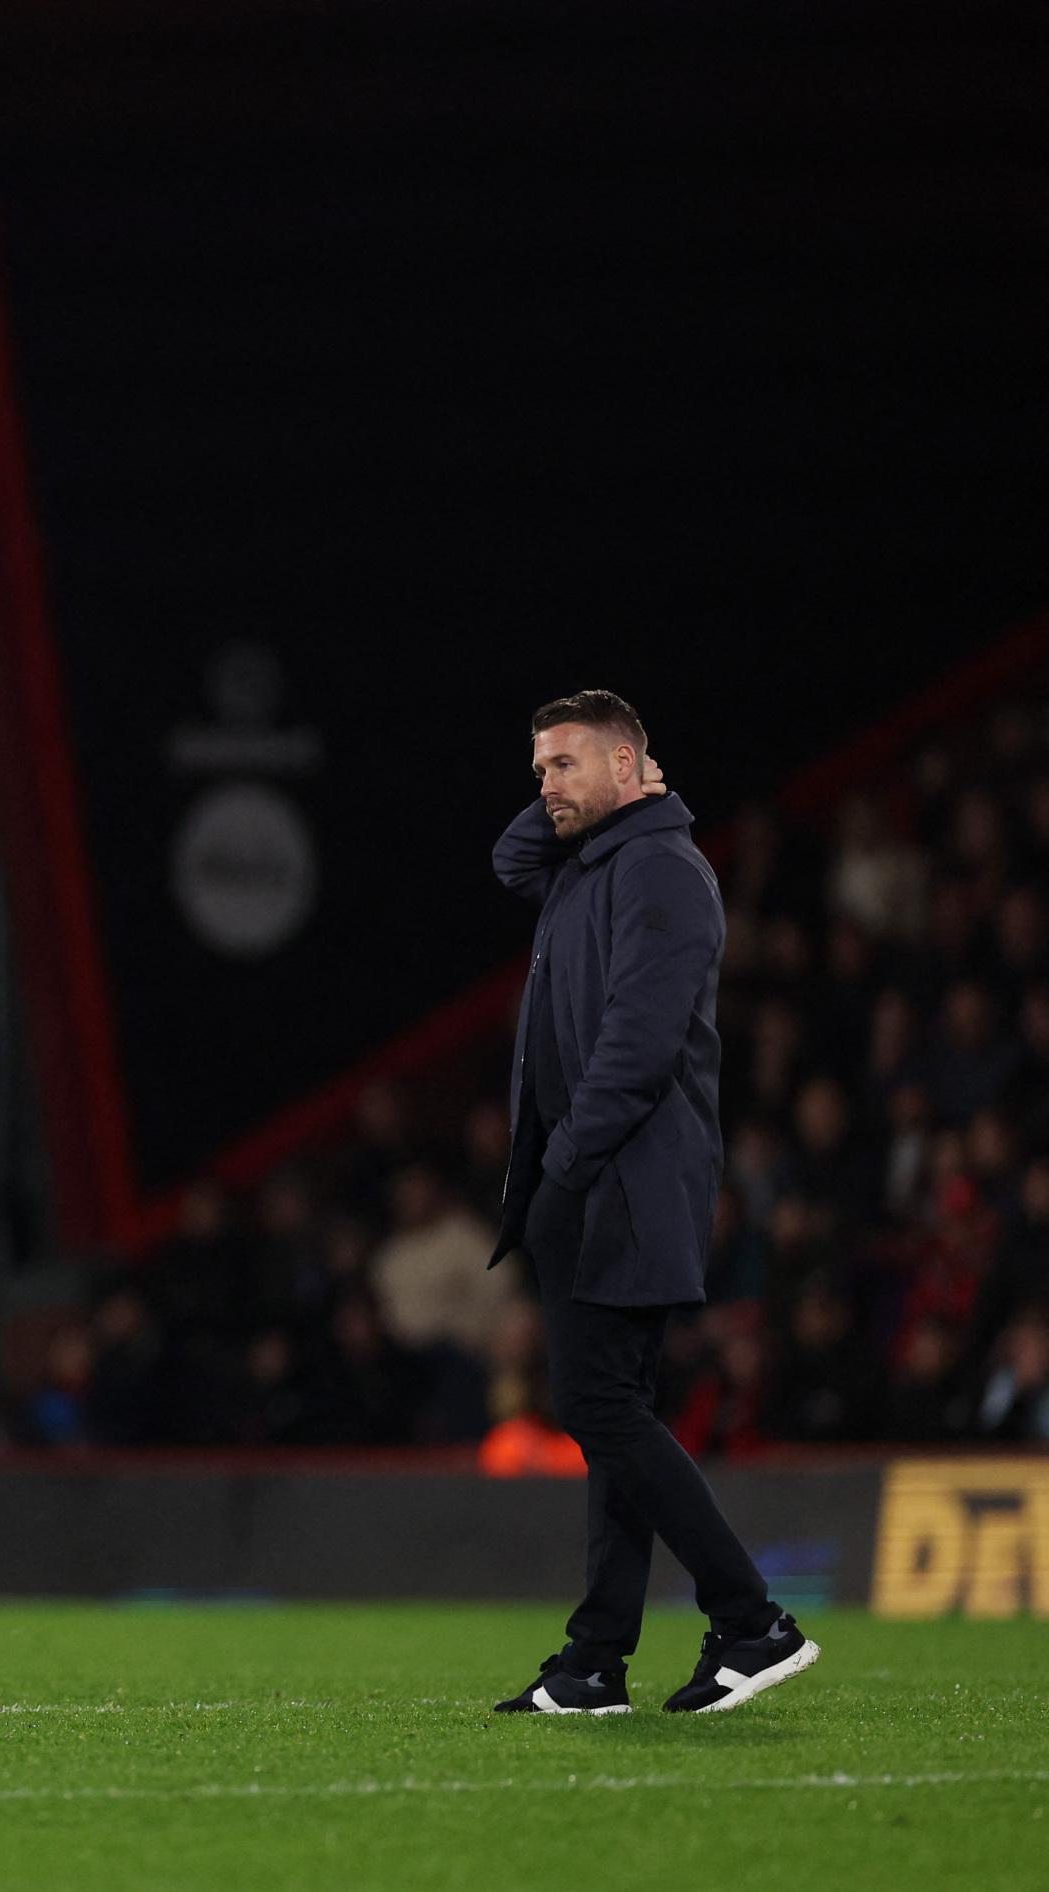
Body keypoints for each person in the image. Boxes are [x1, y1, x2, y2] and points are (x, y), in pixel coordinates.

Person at [489, 691, 819, 1715]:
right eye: (539, 767)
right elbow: (508, 860)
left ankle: (753, 1618)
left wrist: (567, 1169)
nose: (544, 787)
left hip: (621, 1179)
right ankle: (594, 1662)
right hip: (592, 1178)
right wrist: (578, 785)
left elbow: (638, 1044)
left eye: (566, 765)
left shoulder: (664, 872)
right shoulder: (587, 860)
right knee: (608, 1414)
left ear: (633, 768)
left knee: (599, 1406)